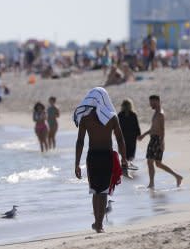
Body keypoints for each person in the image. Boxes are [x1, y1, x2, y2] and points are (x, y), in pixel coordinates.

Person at [74, 87, 128, 233]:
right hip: (106, 156)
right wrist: (124, 158)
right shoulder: (112, 117)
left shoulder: (85, 118)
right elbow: (120, 140)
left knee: (95, 191)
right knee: (103, 191)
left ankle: (97, 222)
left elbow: (80, 142)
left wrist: (77, 164)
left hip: (93, 157)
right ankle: (99, 224)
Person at [138, 95, 183, 188]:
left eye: (152, 103)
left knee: (150, 162)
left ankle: (151, 183)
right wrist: (144, 135)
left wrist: (162, 142)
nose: (150, 105)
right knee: (158, 164)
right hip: (154, 139)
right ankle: (177, 176)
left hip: (156, 140)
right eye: (150, 103)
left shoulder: (160, 114)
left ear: (157, 101)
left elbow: (162, 129)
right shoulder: (156, 113)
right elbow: (153, 128)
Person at [117, 99, 140, 173]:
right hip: (132, 138)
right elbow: (136, 126)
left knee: (123, 154)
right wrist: (139, 135)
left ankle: (124, 168)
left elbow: (117, 127)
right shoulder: (133, 114)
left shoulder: (120, 115)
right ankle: (128, 166)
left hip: (122, 137)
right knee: (130, 154)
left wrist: (116, 135)